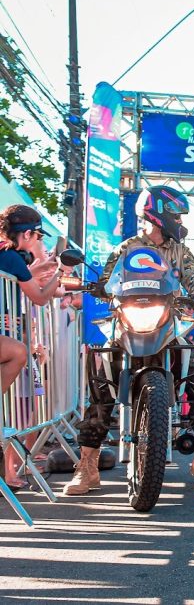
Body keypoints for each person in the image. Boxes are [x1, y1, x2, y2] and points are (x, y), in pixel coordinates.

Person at [72, 186, 194, 493]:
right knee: (102, 379)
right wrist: (98, 287)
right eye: (176, 214)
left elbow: (193, 279)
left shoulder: (181, 250)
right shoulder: (126, 248)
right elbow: (107, 281)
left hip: (166, 322)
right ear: (157, 215)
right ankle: (87, 465)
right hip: (129, 321)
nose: (180, 221)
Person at [0, 205, 69, 489]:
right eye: (38, 235)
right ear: (26, 233)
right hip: (11, 335)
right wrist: (60, 272)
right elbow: (40, 298)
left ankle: (10, 472)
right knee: (18, 351)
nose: (39, 240)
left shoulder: (10, 257)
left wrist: (42, 268)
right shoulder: (11, 258)